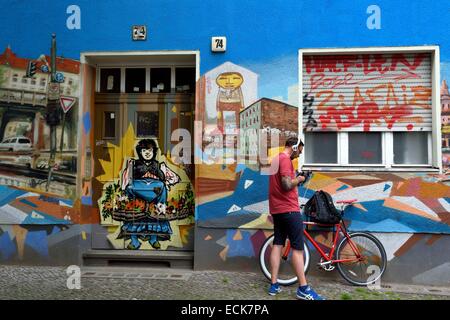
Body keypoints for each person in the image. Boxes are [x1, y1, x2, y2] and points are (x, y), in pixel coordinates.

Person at [267, 136, 325, 300]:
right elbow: (286, 185)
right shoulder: (285, 160)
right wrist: (299, 179)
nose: (299, 155)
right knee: (297, 249)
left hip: (277, 210)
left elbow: (280, 182)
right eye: (299, 151)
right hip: (289, 211)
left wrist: (295, 177)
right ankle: (303, 288)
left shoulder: (276, 160)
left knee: (278, 244)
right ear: (293, 147)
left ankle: (274, 285)